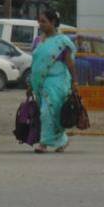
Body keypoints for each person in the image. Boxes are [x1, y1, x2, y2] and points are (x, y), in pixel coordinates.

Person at [29, 9, 77, 153]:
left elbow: (70, 64)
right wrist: (30, 83)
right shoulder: (38, 40)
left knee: (48, 111)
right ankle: (62, 140)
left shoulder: (63, 42)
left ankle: (43, 143)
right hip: (40, 82)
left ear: (53, 22)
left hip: (57, 82)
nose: (40, 24)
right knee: (50, 113)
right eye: (39, 21)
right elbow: (35, 63)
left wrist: (75, 83)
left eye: (43, 21)